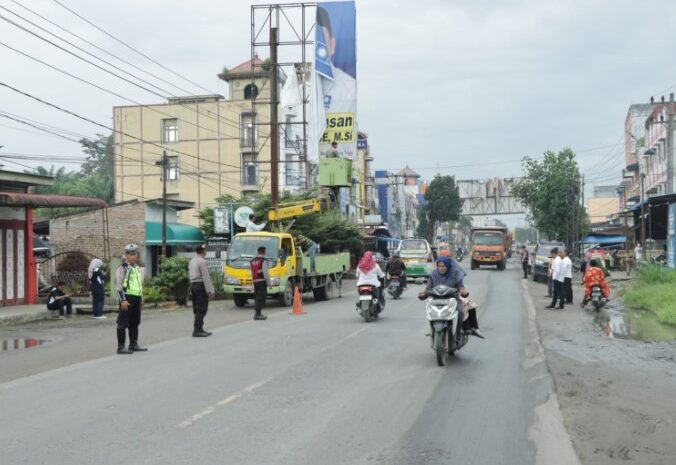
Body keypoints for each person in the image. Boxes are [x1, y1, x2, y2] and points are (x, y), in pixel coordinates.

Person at [115, 244, 147, 354]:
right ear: (126, 255)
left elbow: (140, 285)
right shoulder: (122, 268)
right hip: (127, 298)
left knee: (135, 322)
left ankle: (133, 344)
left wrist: (141, 299)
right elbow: (118, 285)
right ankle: (121, 347)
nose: (132, 256)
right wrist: (122, 300)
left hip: (136, 298)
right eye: (129, 254)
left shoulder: (137, 268)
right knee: (122, 323)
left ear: (137, 255)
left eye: (134, 254)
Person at [189, 245, 215, 337]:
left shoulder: (192, 261)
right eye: (205, 250)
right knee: (202, 308)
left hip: (193, 285)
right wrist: (210, 291)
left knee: (196, 308)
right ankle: (197, 330)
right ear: (203, 251)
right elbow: (206, 277)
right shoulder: (202, 261)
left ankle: (200, 328)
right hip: (200, 285)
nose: (206, 251)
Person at [251, 246, 270, 320]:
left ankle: (258, 313)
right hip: (262, 281)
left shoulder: (253, 260)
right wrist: (269, 283)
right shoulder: (263, 260)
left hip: (255, 281)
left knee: (257, 297)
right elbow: (265, 273)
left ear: (258, 251)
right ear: (263, 252)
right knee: (261, 297)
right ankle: (257, 314)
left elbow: (251, 271)